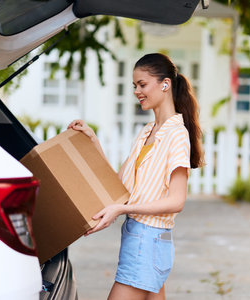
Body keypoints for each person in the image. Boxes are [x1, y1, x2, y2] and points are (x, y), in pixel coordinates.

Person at [68, 53, 204, 300]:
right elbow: (120, 183)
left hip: (147, 241)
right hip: (139, 239)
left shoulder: (176, 135)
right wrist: (92, 140)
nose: (136, 91)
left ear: (165, 84)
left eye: (142, 84)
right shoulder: (147, 132)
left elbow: (177, 200)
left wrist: (120, 209)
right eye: (134, 86)